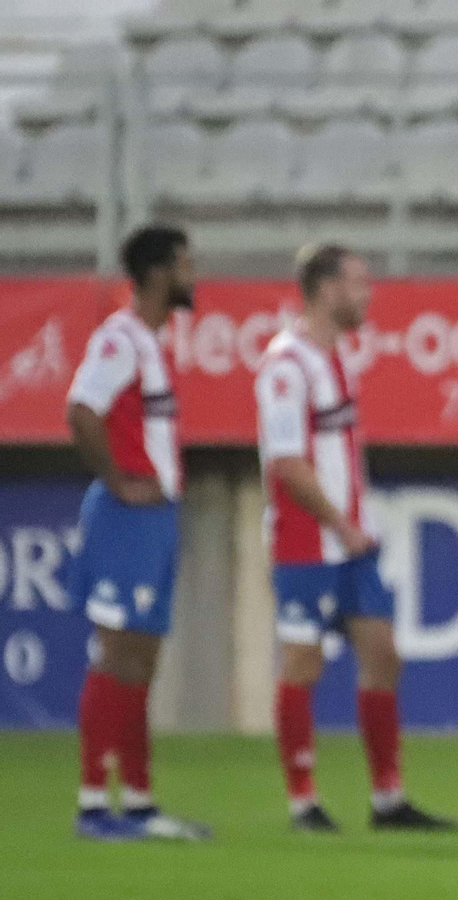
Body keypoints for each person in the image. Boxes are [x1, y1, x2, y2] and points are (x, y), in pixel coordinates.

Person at [254, 243, 456, 834]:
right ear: (324, 288)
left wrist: (356, 524)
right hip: (307, 541)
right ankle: (302, 801)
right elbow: (288, 463)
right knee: (303, 661)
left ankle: (388, 798)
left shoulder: (333, 357)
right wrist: (338, 523)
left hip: (351, 542)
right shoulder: (286, 366)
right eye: (358, 282)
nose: (369, 294)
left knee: (383, 654)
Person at [66, 224, 211, 842]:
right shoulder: (120, 338)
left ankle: (141, 803)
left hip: (154, 518)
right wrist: (120, 481)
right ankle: (94, 803)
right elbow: (80, 408)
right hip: (127, 516)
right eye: (184, 264)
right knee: (118, 652)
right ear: (158, 273)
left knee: (142, 661)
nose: (192, 275)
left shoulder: (149, 342)